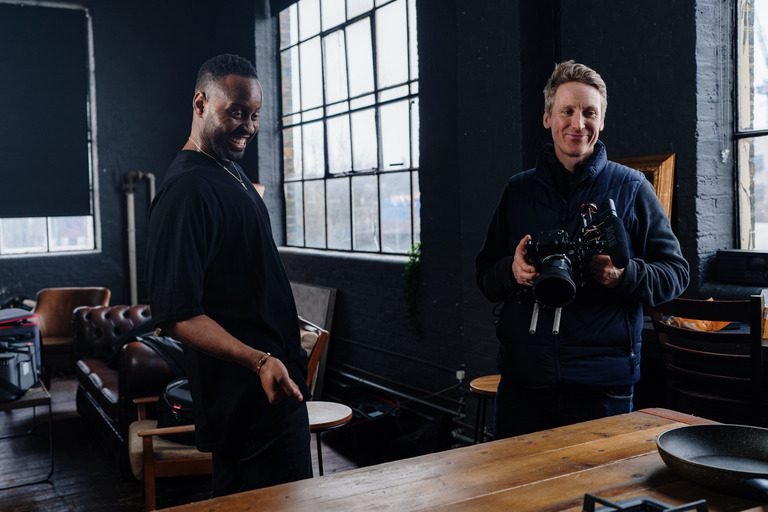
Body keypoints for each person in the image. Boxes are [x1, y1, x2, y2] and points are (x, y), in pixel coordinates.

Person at [475, 60, 689, 438]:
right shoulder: (519, 192)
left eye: (589, 113)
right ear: (547, 118)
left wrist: (622, 276)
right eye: (567, 111)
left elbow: (676, 273)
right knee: (518, 493)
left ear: (602, 121)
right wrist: (513, 271)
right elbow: (485, 275)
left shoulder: (631, 187)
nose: (578, 124)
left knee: (597, 494)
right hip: (525, 381)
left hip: (601, 385)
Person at [146, 54, 312, 496]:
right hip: (246, 402)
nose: (248, 126)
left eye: (255, 115)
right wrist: (258, 359)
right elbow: (177, 314)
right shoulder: (186, 190)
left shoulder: (229, 171)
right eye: (236, 112)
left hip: (275, 392)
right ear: (200, 103)